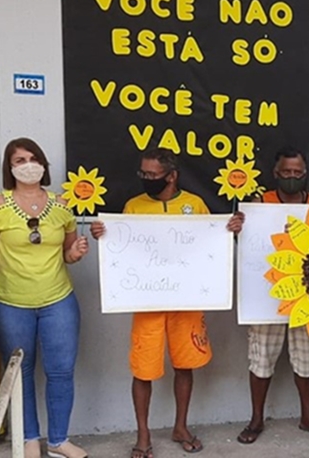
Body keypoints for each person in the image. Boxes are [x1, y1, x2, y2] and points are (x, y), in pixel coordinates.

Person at [90, 147, 244, 458]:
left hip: (186, 300)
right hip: (147, 301)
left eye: (152, 174)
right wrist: (103, 235)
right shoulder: (133, 206)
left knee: (184, 364)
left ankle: (180, 426)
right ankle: (143, 434)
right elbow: (122, 248)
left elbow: (211, 242)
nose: (146, 179)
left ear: (171, 176)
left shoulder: (194, 204)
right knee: (143, 369)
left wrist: (230, 229)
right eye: (143, 173)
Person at [0, 138, 89, 458]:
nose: (28, 165)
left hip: (58, 299)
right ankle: (29, 439)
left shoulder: (62, 204)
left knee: (61, 371)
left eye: (34, 158)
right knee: (19, 372)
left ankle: (58, 440)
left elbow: (67, 253)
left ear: (43, 164)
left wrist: (76, 251)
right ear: (9, 168)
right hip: (9, 302)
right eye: (20, 160)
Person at [238, 146, 309, 445]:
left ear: (305, 174)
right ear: (275, 173)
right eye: (286, 171)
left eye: (298, 172)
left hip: (307, 297)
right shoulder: (259, 204)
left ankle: (308, 416)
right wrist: (238, 227)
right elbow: (244, 242)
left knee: (306, 358)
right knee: (261, 358)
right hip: (266, 296)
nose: (292, 176)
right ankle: (256, 419)